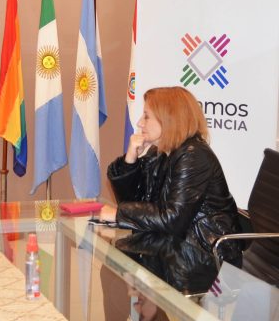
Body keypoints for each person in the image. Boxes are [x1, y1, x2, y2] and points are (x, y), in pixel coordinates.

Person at [100, 86, 242, 294]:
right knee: (114, 266)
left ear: (168, 119)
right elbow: (134, 201)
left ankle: (154, 312)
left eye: (146, 116)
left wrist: (119, 214)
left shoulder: (193, 155)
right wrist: (130, 159)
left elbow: (173, 218)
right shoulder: (162, 151)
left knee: (118, 266)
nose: (139, 123)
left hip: (202, 255)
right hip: (174, 245)